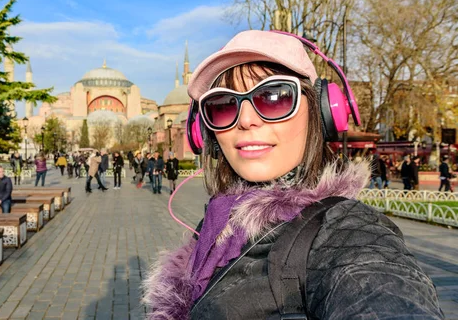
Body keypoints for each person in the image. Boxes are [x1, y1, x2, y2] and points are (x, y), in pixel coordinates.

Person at [142, 30, 442, 319]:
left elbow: (382, 292)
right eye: (223, 105)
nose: (245, 120)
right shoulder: (220, 224)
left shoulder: (348, 234)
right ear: (205, 132)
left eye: (274, 97)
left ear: (321, 112)